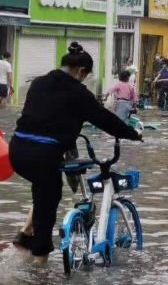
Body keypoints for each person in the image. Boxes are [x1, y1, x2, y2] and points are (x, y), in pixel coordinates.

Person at [8, 42, 142, 264]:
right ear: (81, 72)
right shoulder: (78, 92)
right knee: (48, 205)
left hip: (17, 150)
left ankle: (24, 234)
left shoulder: (38, 83)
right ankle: (39, 267)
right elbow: (104, 119)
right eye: (85, 76)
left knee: (43, 191)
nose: (84, 80)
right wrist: (132, 134)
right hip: (44, 154)